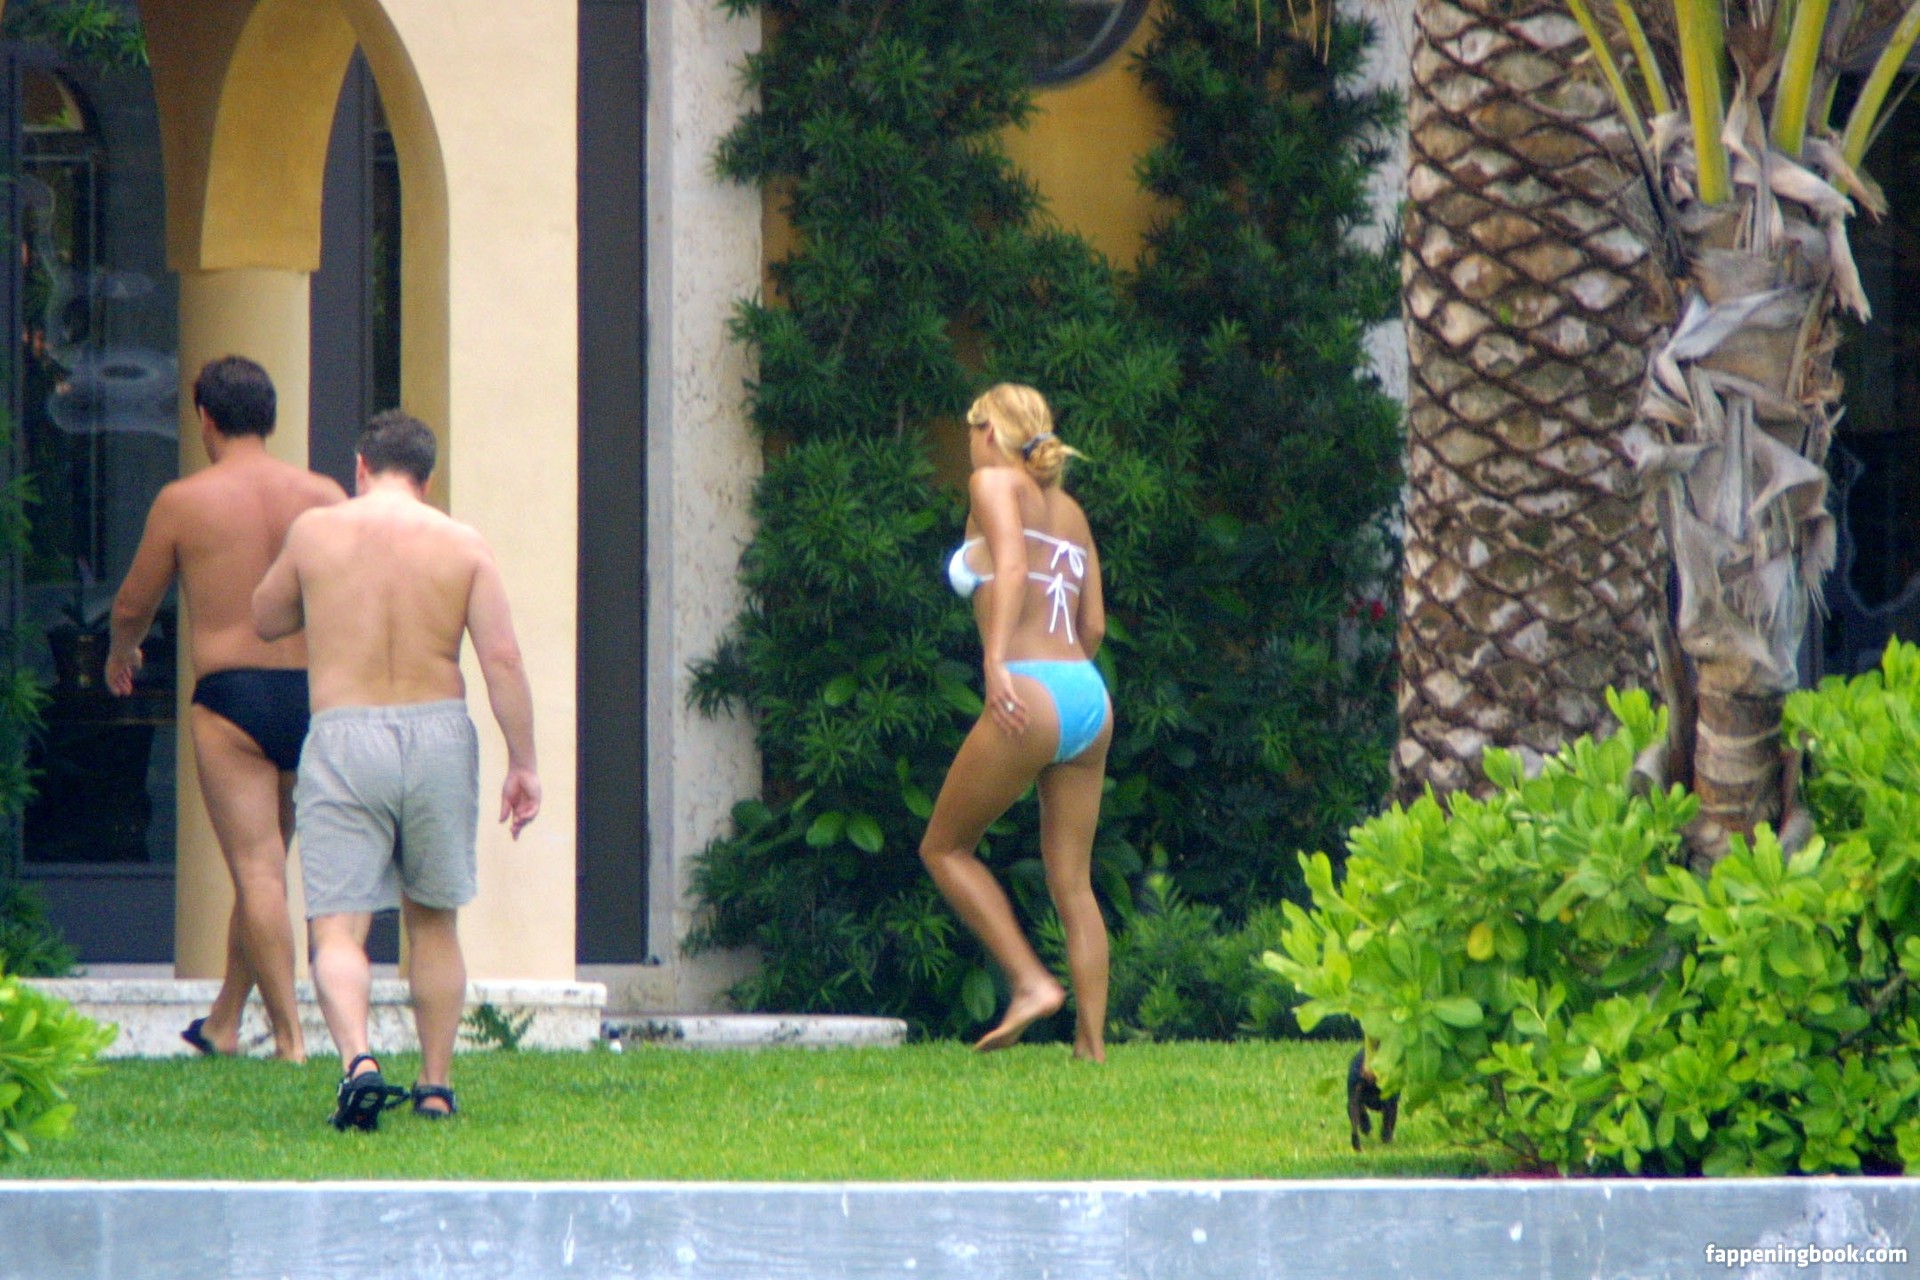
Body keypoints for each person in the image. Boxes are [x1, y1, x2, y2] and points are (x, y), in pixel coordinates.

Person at [252, 409, 540, 1130]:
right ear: (427, 478)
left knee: (336, 929)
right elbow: (503, 659)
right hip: (437, 731)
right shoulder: (463, 544)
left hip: (345, 732)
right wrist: (523, 762)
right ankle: (435, 1086)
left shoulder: (316, 532)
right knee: (433, 921)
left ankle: (359, 1063)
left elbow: (266, 616)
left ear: (360, 467)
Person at [107, 355, 347, 1063]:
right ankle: (223, 1020)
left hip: (233, 696)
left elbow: (134, 602)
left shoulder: (184, 501)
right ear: (269, 417)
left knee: (258, 872)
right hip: (311, 694)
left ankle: (292, 1041)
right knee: (265, 871)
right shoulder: (325, 495)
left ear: (205, 418)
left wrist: (122, 651)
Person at [921, 383, 1113, 1062]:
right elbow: (1094, 624)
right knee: (1073, 882)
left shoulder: (991, 484)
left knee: (944, 848)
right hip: (1087, 695)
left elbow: (1008, 564)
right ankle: (1091, 1048)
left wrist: (998, 661)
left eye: (970, 428)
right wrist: (1064, 681)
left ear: (987, 432)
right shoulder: (1072, 512)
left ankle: (1031, 982)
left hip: (1028, 689)